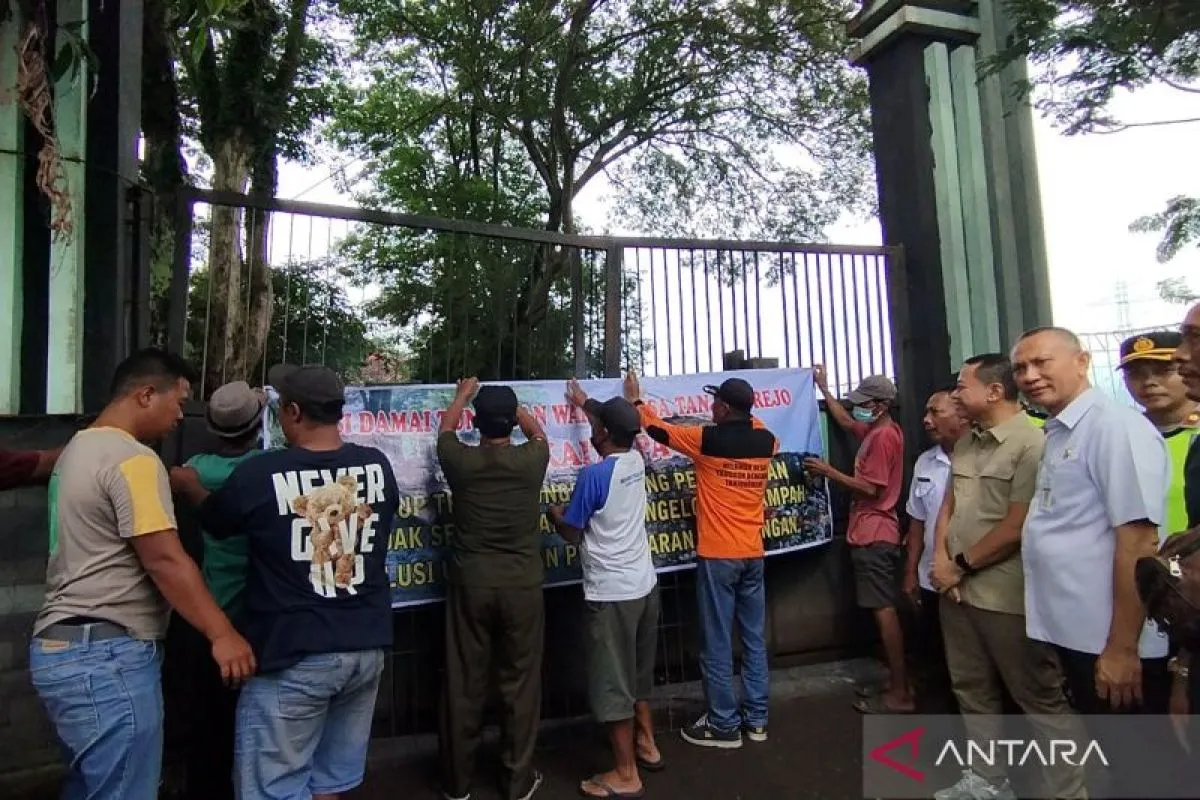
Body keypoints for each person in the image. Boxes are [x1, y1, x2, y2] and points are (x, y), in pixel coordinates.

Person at [30, 349, 255, 799]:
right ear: (146, 394)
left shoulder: (79, 447)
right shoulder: (132, 459)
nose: (179, 416)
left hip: (63, 648)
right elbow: (164, 559)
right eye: (177, 402)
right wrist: (222, 633)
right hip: (107, 657)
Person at [171, 364, 397, 800]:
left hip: (294, 655)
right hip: (365, 649)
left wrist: (194, 486)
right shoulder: (377, 466)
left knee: (273, 787)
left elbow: (217, 521)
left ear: (292, 412)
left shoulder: (260, 475)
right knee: (328, 783)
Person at [1014, 327, 1176, 797]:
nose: (1030, 375)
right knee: (1119, 763)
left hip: (1112, 642)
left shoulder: (1113, 427)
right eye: (1022, 368)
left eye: (1042, 363)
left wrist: (1123, 648)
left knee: (1144, 771)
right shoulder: (1063, 427)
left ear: (1082, 362)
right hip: (1082, 638)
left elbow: (1138, 539)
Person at [931, 353, 1085, 800]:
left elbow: (1018, 526)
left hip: (1006, 596)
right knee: (971, 689)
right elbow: (949, 508)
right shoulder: (967, 442)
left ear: (994, 392)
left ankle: (1066, 792)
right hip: (957, 593)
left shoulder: (1033, 445)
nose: (956, 393)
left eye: (962, 386)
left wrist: (958, 566)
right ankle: (987, 780)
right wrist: (941, 564)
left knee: (1039, 699)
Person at [626, 372, 778, 748]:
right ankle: (757, 719)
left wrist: (636, 401)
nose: (710, 408)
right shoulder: (766, 440)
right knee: (755, 639)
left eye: (715, 403)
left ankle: (723, 724)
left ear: (724, 408)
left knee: (717, 641)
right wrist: (737, 414)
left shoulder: (706, 441)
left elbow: (657, 430)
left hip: (718, 556)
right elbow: (752, 422)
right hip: (753, 555)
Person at [437, 378, 550, 800]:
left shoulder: (460, 461)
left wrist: (461, 397)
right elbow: (538, 431)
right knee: (520, 684)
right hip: (522, 585)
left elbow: (445, 433)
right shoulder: (532, 457)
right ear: (512, 422)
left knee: (464, 680)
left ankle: (457, 783)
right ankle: (517, 783)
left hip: (471, 584)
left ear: (476, 422)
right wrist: (517, 409)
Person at [548, 381, 662, 799]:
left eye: (595, 424)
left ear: (600, 435)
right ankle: (647, 744)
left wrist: (555, 514)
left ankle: (626, 773)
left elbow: (573, 534)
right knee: (638, 674)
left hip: (611, 593)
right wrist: (586, 403)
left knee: (614, 685)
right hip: (645, 586)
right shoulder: (639, 460)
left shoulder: (595, 476)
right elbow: (616, 422)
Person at [180, 380, 267, 800]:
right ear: (259, 424)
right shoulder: (267, 470)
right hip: (258, 619)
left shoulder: (195, 469)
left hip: (211, 617)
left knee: (209, 723)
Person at [807, 369, 910, 714]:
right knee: (881, 611)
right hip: (870, 531)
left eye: (864, 404)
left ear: (881, 405)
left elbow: (872, 488)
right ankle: (897, 682)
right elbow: (848, 422)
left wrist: (829, 472)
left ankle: (900, 693)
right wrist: (823, 387)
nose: (858, 409)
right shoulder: (878, 431)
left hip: (875, 533)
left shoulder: (883, 439)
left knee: (885, 613)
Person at [899, 386, 966, 708]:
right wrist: (911, 572)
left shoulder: (982, 458)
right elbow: (916, 522)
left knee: (973, 668)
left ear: (961, 413)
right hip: (930, 581)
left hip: (970, 581)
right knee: (934, 660)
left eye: (935, 412)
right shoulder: (925, 462)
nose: (926, 420)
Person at [1118, 330, 1200, 536]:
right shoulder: (1121, 435)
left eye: (1163, 370)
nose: (1149, 382)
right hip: (1144, 563)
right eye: (1135, 374)